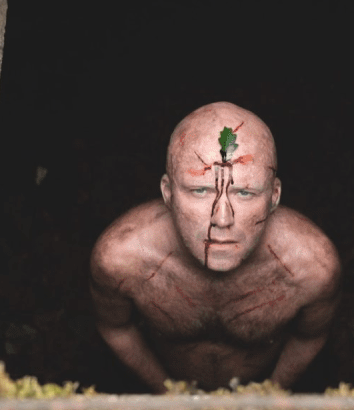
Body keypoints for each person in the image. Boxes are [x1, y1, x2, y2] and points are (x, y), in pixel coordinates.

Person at [89, 102, 341, 393]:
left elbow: (309, 337)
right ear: (167, 193)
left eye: (245, 192)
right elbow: (115, 328)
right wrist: (168, 395)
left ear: (274, 196)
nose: (222, 219)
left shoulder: (312, 268)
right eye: (200, 190)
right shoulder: (120, 259)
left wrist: (268, 396)